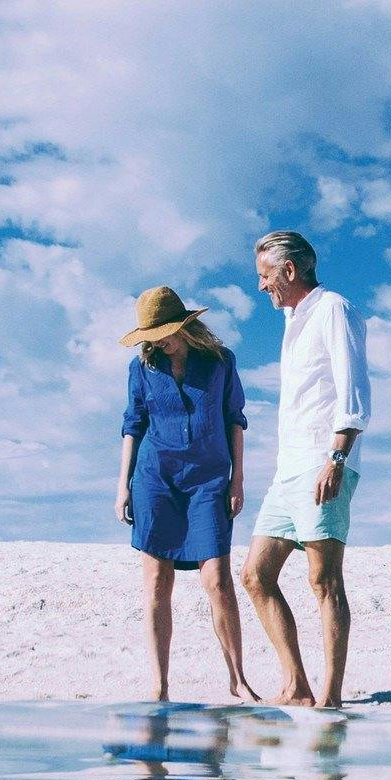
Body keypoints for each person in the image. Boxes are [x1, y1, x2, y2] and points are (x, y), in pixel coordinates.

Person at [242, 229, 369, 708]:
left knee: (323, 580)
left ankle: (330, 697)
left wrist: (336, 457)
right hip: (288, 470)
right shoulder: (293, 320)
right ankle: (296, 685)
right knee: (255, 575)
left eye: (265, 276)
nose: (261, 286)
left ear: (290, 270)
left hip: (323, 461)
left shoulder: (333, 308)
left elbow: (353, 387)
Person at [117, 285, 258, 704]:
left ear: (182, 326)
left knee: (218, 580)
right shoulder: (142, 367)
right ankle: (160, 685)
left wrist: (237, 479)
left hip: (208, 481)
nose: (156, 342)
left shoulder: (220, 362)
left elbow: (235, 419)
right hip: (154, 480)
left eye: (162, 332)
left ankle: (238, 679)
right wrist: (122, 485)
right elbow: (133, 425)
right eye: (149, 335)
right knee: (157, 582)